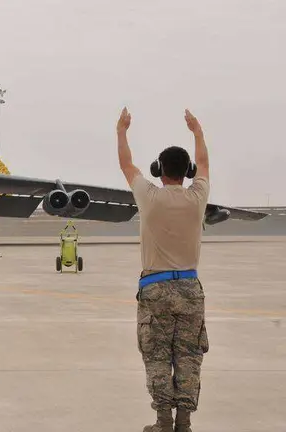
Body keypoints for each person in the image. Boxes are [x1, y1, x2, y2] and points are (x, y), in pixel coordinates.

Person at [117, 107, 210, 432]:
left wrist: (122, 131)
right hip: (189, 288)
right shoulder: (198, 197)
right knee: (188, 356)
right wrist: (197, 131)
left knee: (157, 355)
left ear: (159, 171)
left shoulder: (150, 196)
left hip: (155, 289)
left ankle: (162, 423)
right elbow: (206, 164)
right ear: (188, 171)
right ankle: (184, 423)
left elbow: (127, 165)